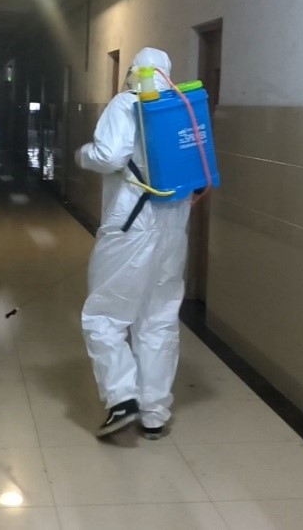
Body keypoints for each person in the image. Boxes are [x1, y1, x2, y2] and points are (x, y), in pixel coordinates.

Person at [76, 47, 191, 440]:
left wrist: (83, 155)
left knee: (104, 315)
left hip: (131, 225)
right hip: (174, 228)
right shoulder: (183, 109)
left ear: (132, 72)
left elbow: (110, 156)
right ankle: (155, 413)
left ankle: (122, 398)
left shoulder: (126, 102)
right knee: (158, 318)